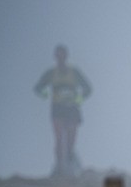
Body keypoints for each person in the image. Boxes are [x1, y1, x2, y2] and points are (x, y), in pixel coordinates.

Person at [34, 44, 92, 177]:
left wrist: (78, 99)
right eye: (58, 55)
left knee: (71, 136)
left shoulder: (74, 72)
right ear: (55, 56)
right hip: (58, 108)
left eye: (62, 54)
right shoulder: (51, 73)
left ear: (66, 56)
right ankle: (59, 165)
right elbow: (38, 87)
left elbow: (88, 88)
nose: (60, 57)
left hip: (72, 107)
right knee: (59, 137)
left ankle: (70, 159)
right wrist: (46, 95)